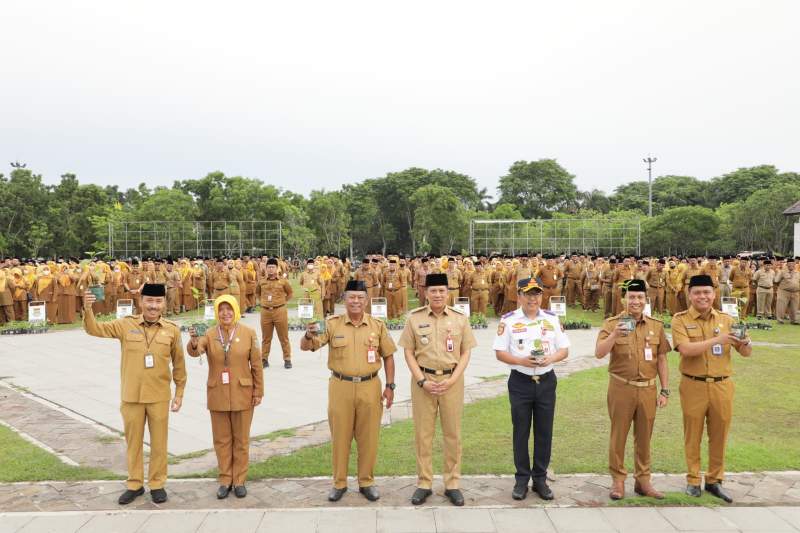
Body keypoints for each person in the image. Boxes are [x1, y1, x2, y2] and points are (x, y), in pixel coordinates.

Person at [82, 283, 186, 505]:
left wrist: (180, 393)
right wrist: (88, 309)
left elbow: (179, 364)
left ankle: (157, 483)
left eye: (158, 301)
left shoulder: (172, 330)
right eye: (149, 301)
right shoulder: (125, 325)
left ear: (164, 303)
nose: (153, 306)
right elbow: (95, 329)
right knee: (133, 443)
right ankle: (135, 484)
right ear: (141, 302)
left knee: (159, 444)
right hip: (131, 397)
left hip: (159, 396)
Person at [300, 280, 397, 502]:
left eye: (360, 298)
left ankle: (366, 481)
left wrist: (390, 386)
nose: (355, 301)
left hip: (370, 386)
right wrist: (307, 335)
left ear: (366, 300)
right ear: (344, 299)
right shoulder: (332, 324)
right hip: (340, 386)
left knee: (369, 437)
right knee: (340, 437)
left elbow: (389, 356)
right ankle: (339, 482)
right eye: (351, 297)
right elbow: (308, 346)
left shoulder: (377, 326)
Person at [671, 274, 752, 502]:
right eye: (697, 292)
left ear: (714, 294)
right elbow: (686, 349)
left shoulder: (727, 320)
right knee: (693, 434)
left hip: (722, 385)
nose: (702, 296)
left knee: (719, 435)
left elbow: (746, 353)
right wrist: (719, 340)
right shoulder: (680, 319)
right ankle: (693, 480)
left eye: (707, 292)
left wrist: (745, 343)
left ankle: (715, 481)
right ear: (689, 295)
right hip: (693, 384)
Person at [399, 273, 477, 507]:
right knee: (423, 434)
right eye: (433, 291)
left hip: (451, 381)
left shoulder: (460, 319)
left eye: (442, 291)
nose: (438, 295)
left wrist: (453, 379)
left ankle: (452, 483)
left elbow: (465, 351)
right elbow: (408, 352)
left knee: (452, 433)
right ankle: (424, 483)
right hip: (423, 382)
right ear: (425, 293)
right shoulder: (414, 318)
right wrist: (422, 380)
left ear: (448, 292)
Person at [493, 278, 569, 501]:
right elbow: (499, 352)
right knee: (521, 431)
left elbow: (564, 349)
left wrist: (551, 358)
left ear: (542, 296)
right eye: (528, 294)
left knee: (544, 431)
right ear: (519, 296)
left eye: (537, 294)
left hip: (546, 381)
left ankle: (540, 479)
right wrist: (520, 361)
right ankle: (521, 479)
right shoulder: (508, 321)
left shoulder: (551, 319)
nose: (533, 298)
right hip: (520, 381)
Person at [595, 279, 670, 500]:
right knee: (619, 435)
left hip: (648, 389)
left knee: (645, 437)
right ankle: (618, 481)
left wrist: (665, 390)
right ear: (623, 299)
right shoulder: (611, 323)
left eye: (639, 297)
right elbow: (599, 353)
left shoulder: (656, 325)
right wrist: (614, 335)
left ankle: (643, 481)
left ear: (646, 300)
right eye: (631, 297)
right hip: (621, 387)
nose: (635, 301)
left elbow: (662, 359)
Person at [187, 295, 263, 499]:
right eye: (221, 309)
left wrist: (258, 391)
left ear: (236, 311)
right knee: (221, 440)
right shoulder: (210, 333)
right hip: (218, 392)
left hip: (243, 393)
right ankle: (225, 479)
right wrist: (194, 341)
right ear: (216, 312)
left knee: (241, 440)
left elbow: (256, 365)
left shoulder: (249, 333)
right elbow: (196, 351)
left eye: (230, 309)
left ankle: (239, 480)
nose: (225, 313)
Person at [256, 258, 294, 369]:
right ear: (266, 269)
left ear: (277, 268)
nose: (271, 269)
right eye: (269, 267)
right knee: (266, 337)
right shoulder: (262, 281)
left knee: (283, 337)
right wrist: (262, 301)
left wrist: (283, 302)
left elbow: (290, 293)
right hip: (265, 312)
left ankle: (287, 359)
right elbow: (257, 293)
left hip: (279, 311)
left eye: (273, 267)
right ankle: (264, 359)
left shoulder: (283, 281)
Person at [774, 257, 799, 324]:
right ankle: (780, 320)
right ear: (787, 264)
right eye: (790, 264)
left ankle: (794, 320)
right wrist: (782, 288)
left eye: (793, 264)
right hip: (784, 292)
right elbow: (776, 281)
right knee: (781, 306)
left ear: (795, 265)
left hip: (795, 292)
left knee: (794, 307)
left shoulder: (798, 273)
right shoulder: (782, 272)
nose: (791, 266)